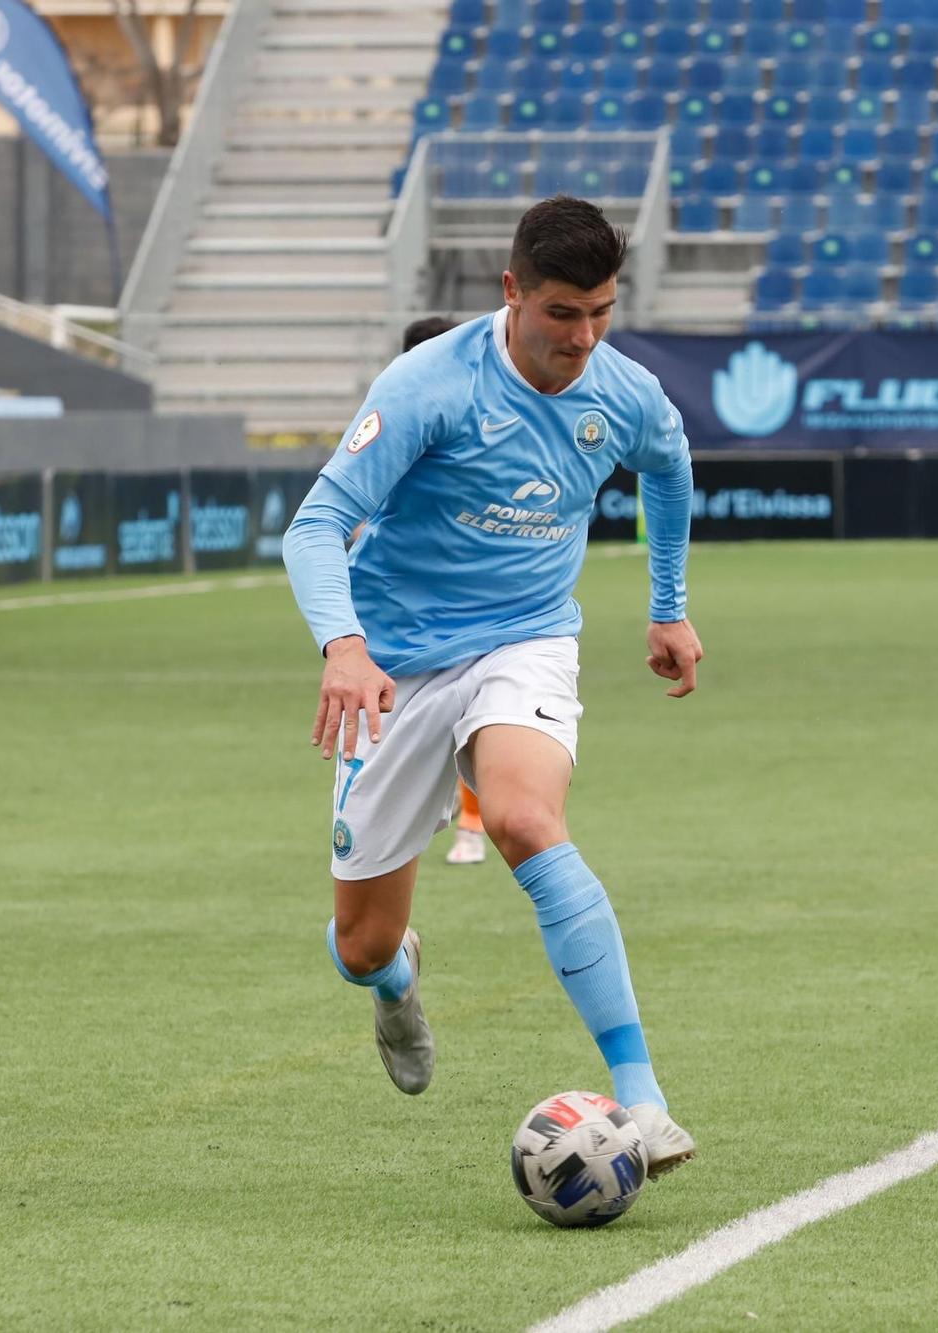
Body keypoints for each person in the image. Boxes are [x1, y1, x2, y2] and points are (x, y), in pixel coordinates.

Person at [282, 196, 704, 1176]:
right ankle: (397, 982)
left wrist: (667, 604)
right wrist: (343, 646)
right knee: (358, 944)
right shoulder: (430, 384)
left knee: (519, 818)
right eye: (562, 313)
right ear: (512, 293)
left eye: (601, 311)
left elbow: (669, 468)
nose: (583, 336)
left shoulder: (624, 391)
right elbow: (316, 523)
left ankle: (640, 1095)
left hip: (525, 642)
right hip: (394, 667)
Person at [397, 313, 490, 868]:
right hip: (403, 620)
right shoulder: (397, 415)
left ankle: (472, 828)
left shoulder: (484, 421)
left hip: (477, 613)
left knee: (476, 726)